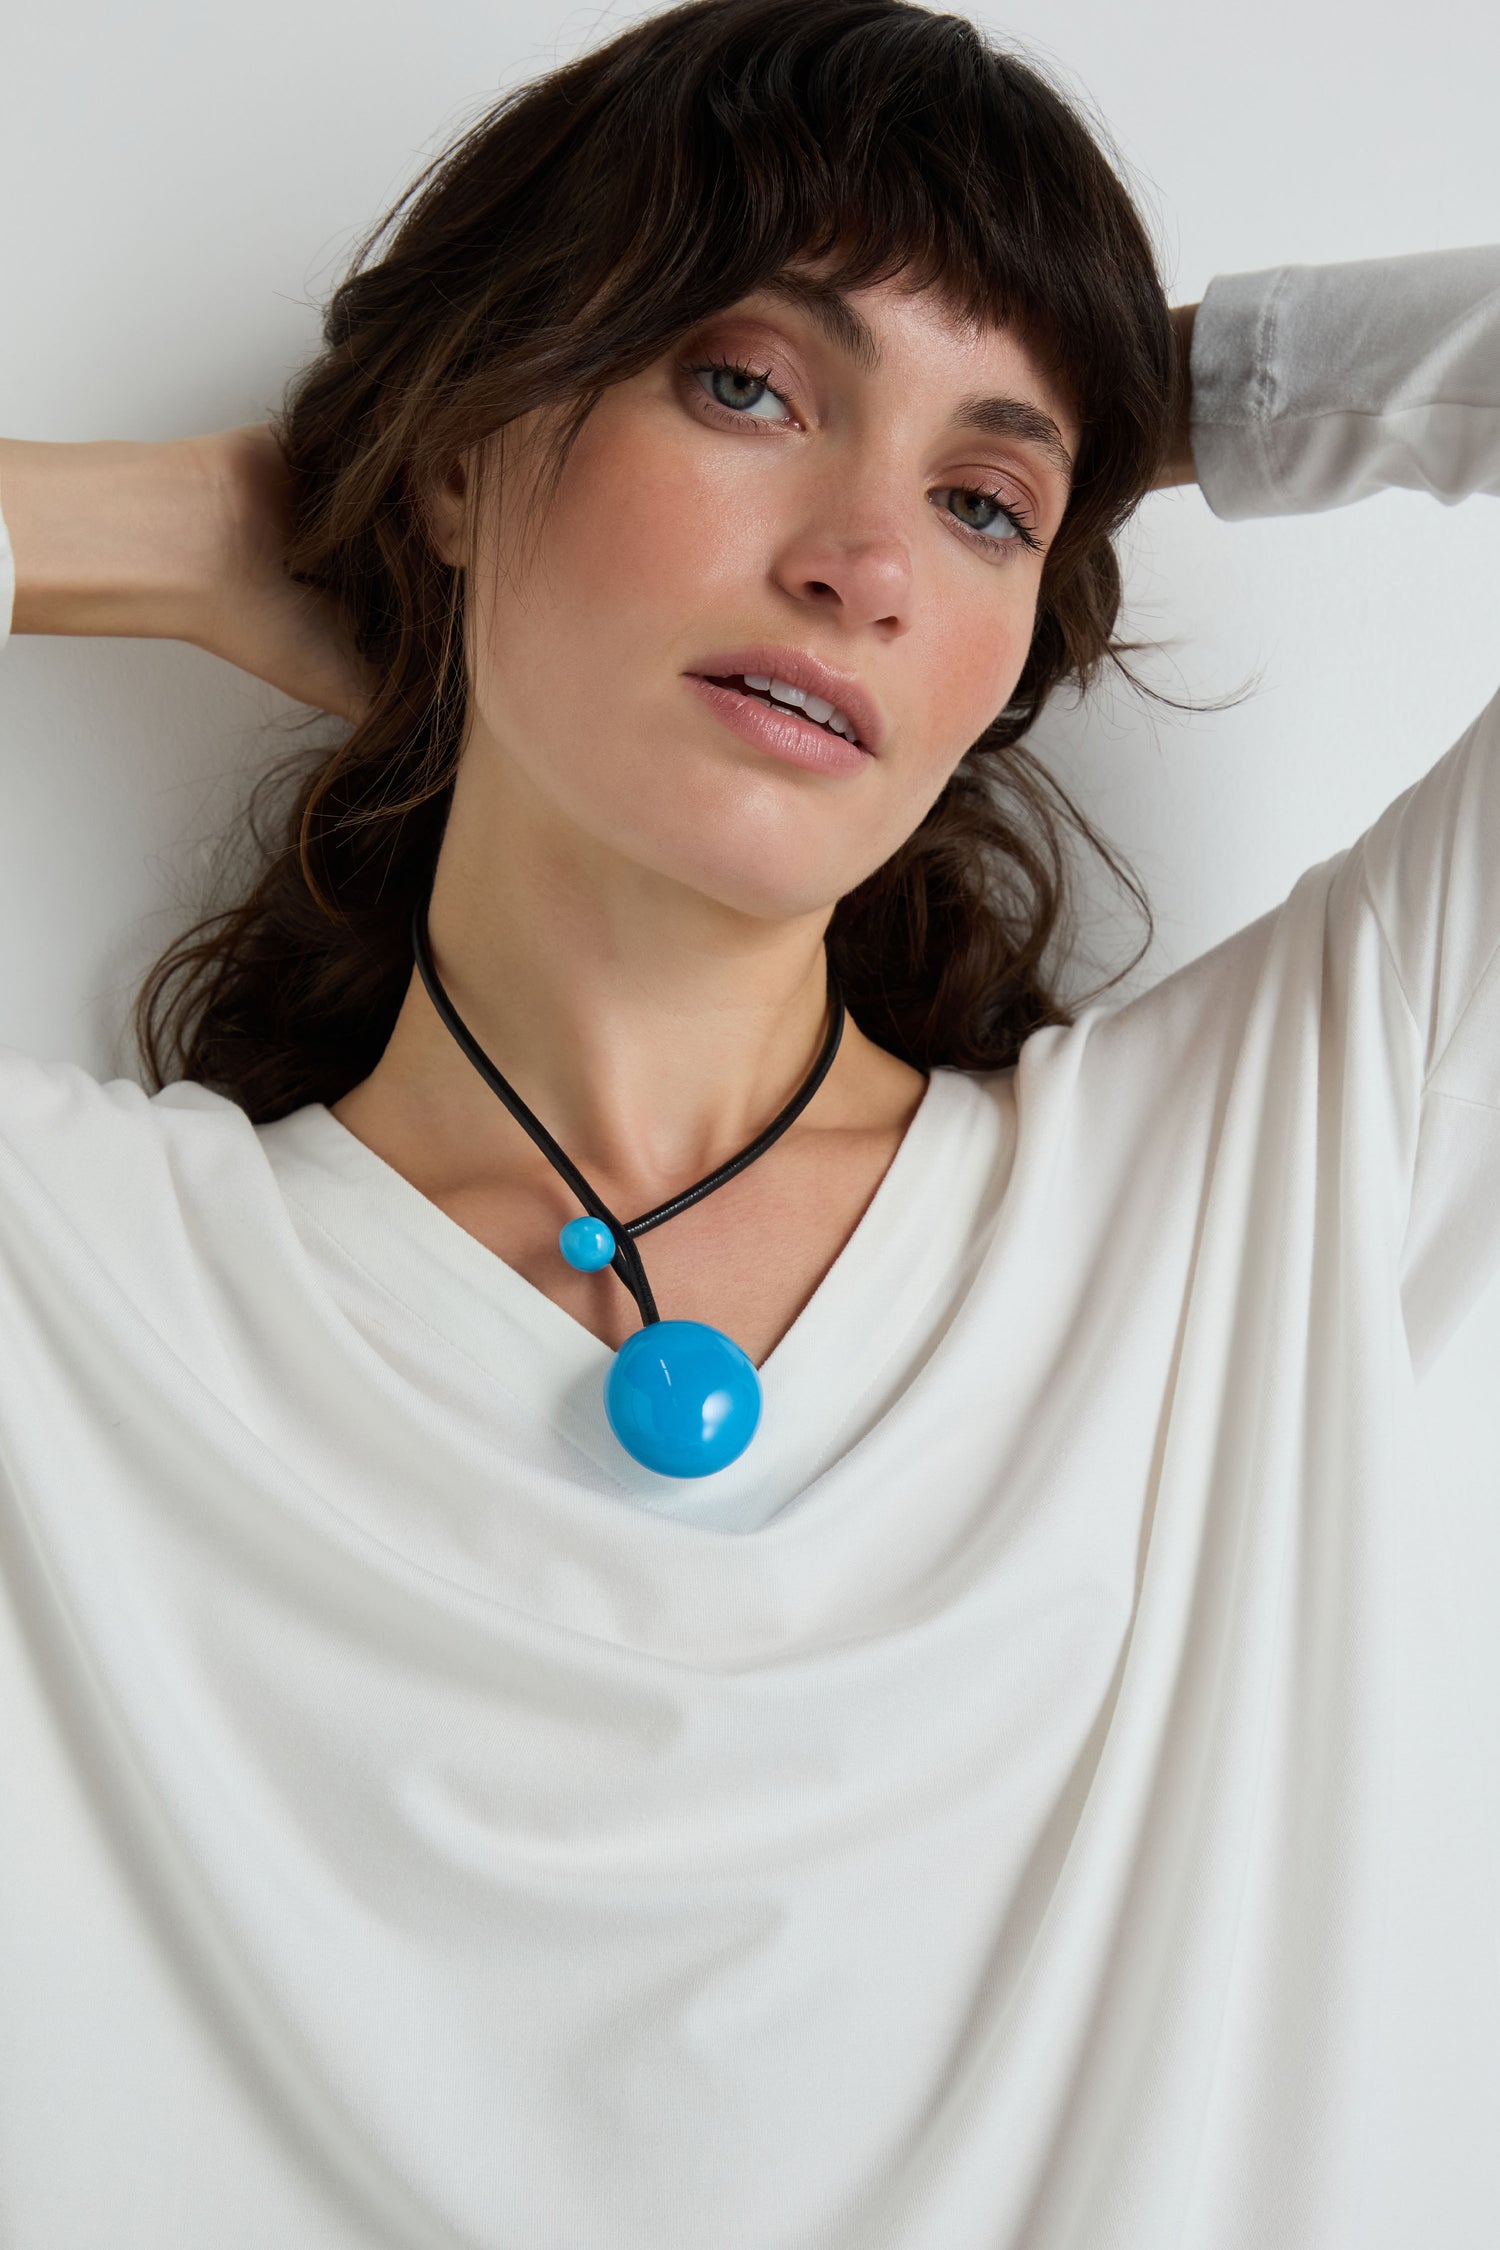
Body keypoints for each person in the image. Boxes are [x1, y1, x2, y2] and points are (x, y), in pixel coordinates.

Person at [1, 0, 1497, 2242]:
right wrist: (198, 523)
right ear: (465, 443)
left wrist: (1160, 396)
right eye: (748, 387)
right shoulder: (73, 1288)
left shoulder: (1251, 1185)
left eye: (984, 503)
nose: (863, 561)